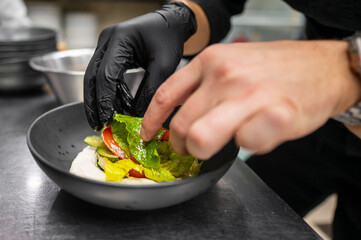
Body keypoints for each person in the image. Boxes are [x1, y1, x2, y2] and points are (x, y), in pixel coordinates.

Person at [84, 0, 361, 238]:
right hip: (312, 117)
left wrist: (345, 68)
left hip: (320, 87)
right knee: (240, 214)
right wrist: (183, 15)